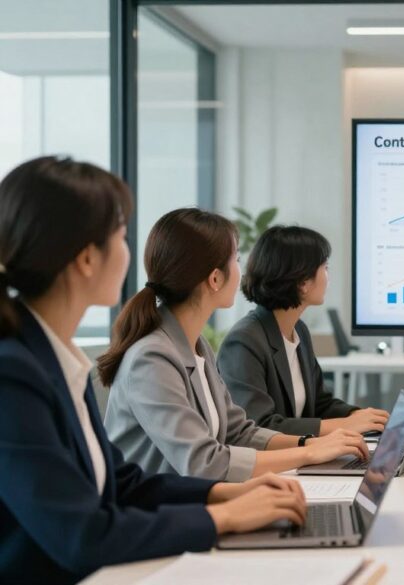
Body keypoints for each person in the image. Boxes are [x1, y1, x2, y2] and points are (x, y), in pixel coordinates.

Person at [0, 157, 309, 584]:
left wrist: (229, 494)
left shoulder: (53, 358)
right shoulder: (13, 375)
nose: (131, 253)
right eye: (122, 236)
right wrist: (223, 519)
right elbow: (82, 535)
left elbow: (121, 482)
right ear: (88, 258)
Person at [100, 208, 369, 482]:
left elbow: (239, 432)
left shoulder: (196, 345)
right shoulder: (152, 358)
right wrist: (307, 454)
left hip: (192, 501)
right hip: (155, 515)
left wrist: (307, 444)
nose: (242, 270)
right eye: (237, 259)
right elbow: (203, 463)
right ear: (215, 279)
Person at [218, 225, 389, 436]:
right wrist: (345, 426)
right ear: (303, 283)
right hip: (272, 464)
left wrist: (361, 416)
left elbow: (320, 403)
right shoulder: (244, 341)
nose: (328, 277)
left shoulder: (298, 330)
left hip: (301, 459)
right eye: (325, 268)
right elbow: (260, 426)